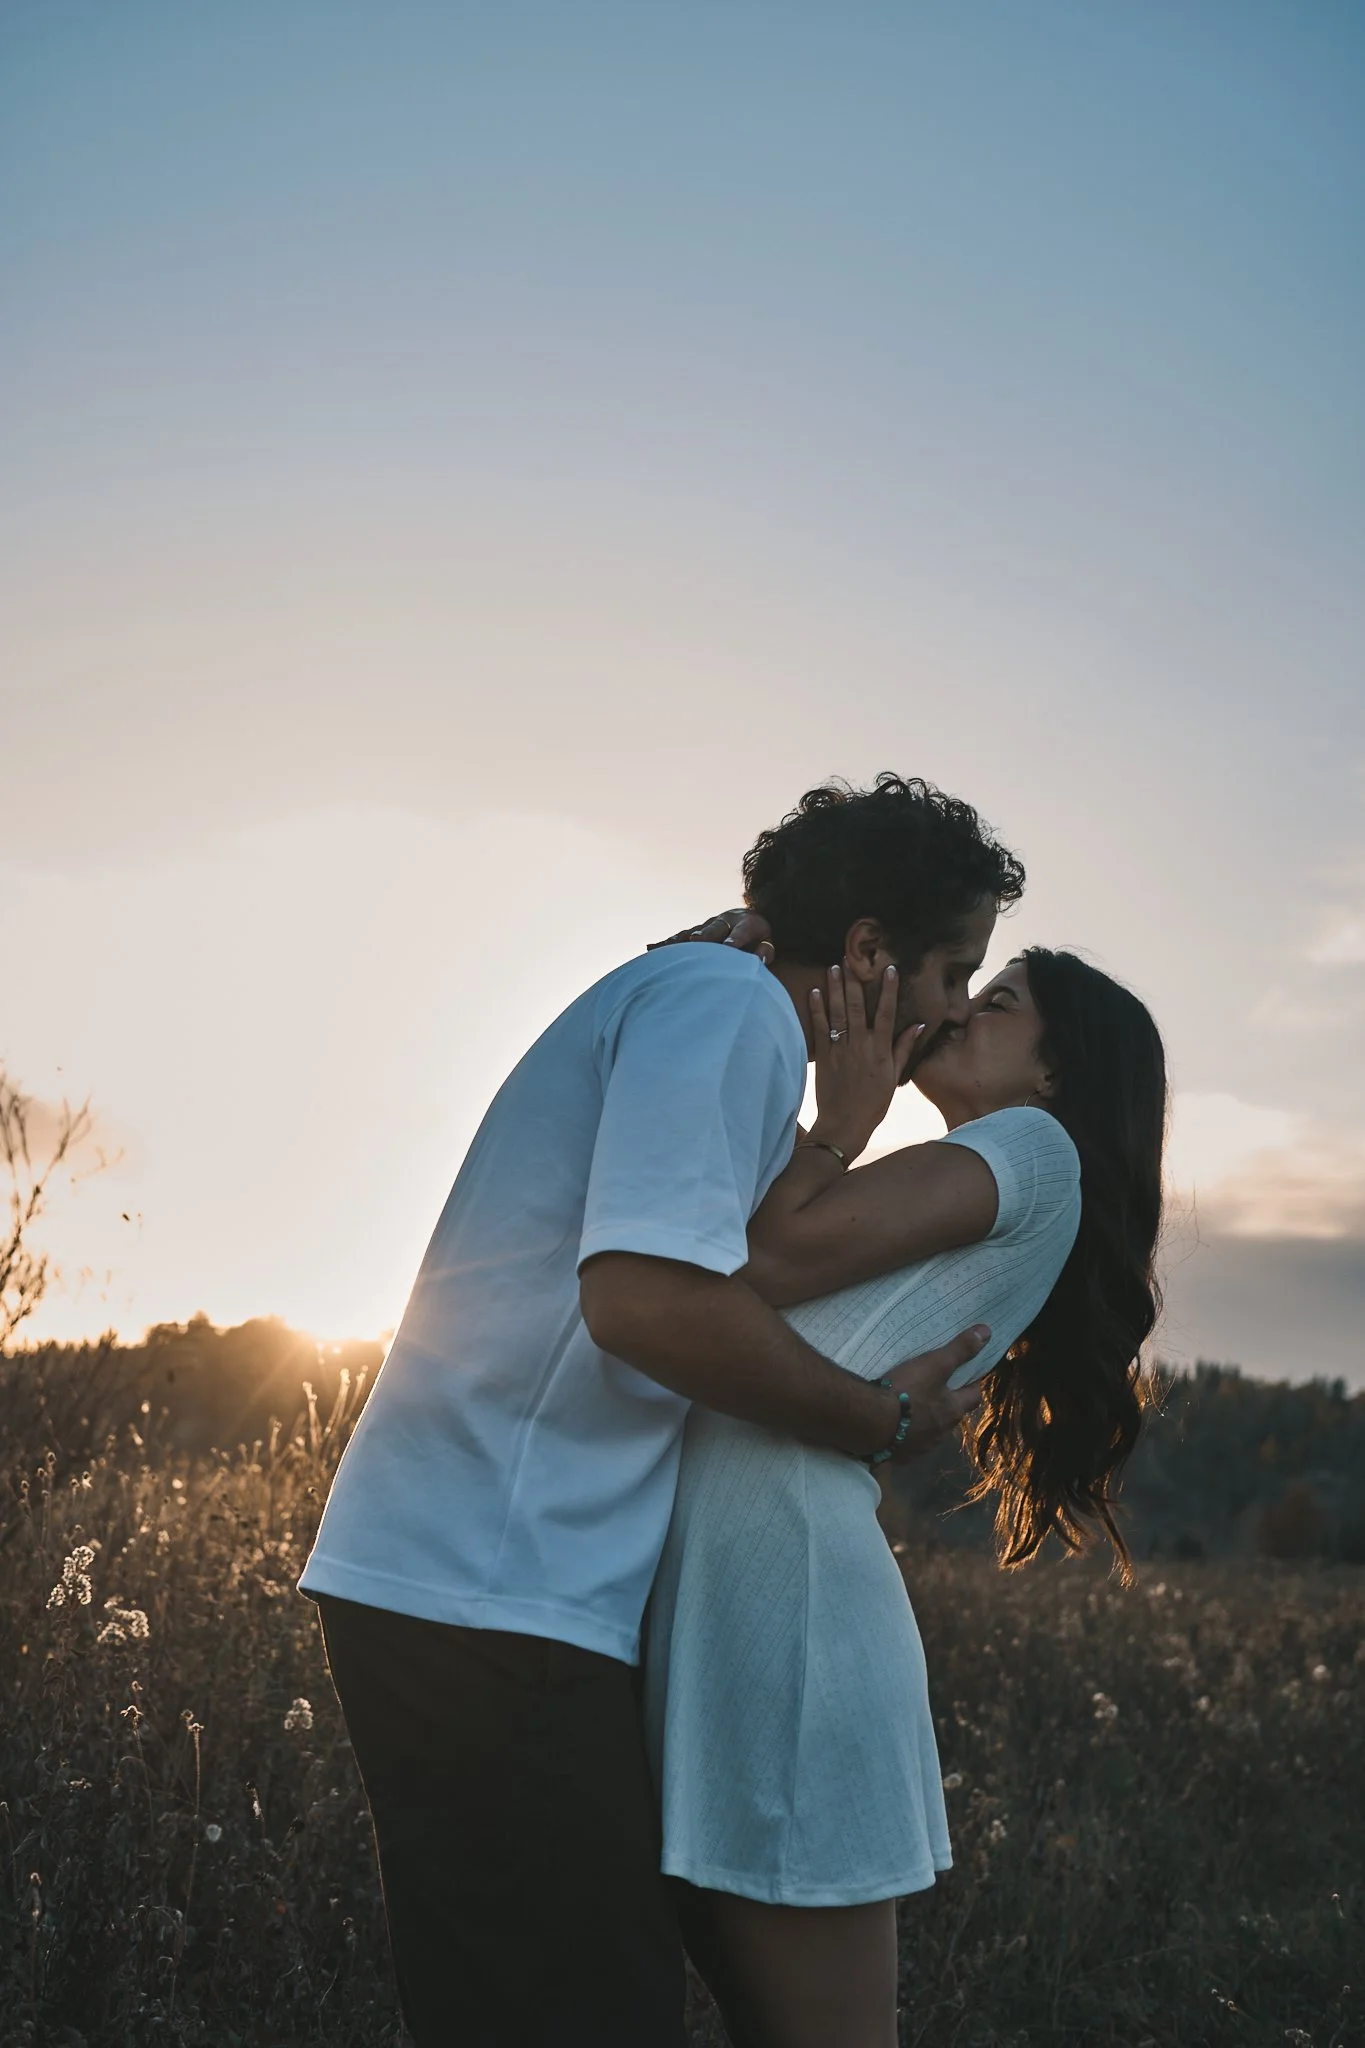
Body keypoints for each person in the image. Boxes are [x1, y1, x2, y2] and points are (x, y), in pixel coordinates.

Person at [297, 774, 1026, 2047]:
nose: (959, 1005)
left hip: (488, 1583)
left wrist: (837, 1137)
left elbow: (720, 1266)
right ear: (867, 950)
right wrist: (878, 1420)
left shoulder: (714, 1003)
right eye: (955, 968)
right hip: (490, 1585)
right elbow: (643, 1299)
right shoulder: (726, 1008)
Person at [641, 925, 1167, 2048]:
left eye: (1003, 999)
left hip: (795, 1620)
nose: (964, 1006)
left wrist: (841, 1113)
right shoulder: (971, 1176)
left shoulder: (1035, 1148)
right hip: (743, 1601)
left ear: (1055, 1070)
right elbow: (760, 1245)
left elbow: (759, 1261)